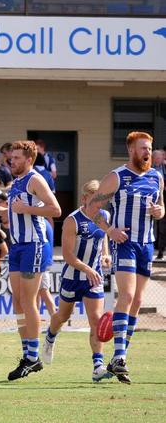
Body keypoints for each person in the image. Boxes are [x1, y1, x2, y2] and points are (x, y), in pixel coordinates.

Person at [86, 131, 163, 383]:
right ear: (131, 150)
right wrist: (110, 230)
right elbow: (92, 208)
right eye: (143, 148)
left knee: (137, 301)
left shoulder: (156, 176)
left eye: (149, 148)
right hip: (125, 243)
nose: (147, 152)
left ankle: (120, 357)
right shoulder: (117, 177)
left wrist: (159, 212)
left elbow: (160, 209)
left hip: (147, 244)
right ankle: (119, 356)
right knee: (127, 296)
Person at [42, 180, 114, 382]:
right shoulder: (72, 221)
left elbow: (104, 237)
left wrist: (106, 255)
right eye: (94, 200)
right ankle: (49, 337)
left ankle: (98, 365)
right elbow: (67, 255)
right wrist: (87, 268)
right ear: (84, 199)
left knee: (96, 320)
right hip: (73, 277)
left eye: (102, 200)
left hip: (94, 279)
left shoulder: (105, 216)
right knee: (63, 317)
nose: (99, 204)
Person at [6, 140, 61, 381]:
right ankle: (28, 354)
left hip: (34, 245)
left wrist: (26, 210)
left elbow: (56, 209)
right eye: (12, 157)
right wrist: (0, 212)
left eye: (17, 158)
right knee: (17, 301)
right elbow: (19, 210)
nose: (12, 161)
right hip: (17, 246)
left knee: (28, 301)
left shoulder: (35, 179)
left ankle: (32, 356)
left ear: (29, 160)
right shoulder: (17, 182)